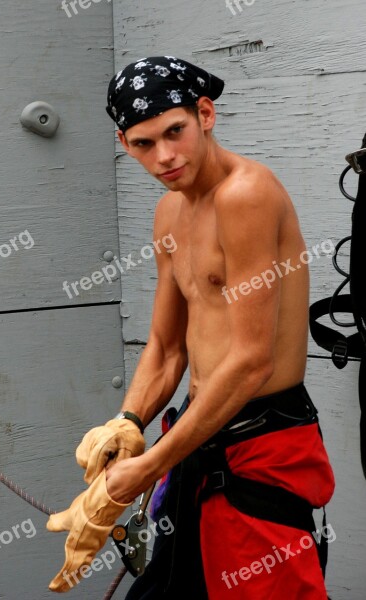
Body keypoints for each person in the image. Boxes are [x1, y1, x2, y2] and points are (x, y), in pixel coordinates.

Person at [82, 56, 335, 599]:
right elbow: (167, 347)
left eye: (175, 132)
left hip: (261, 445)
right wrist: (127, 424)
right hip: (194, 442)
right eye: (144, 144)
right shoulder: (169, 214)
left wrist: (149, 466)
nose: (165, 157)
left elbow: (251, 361)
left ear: (205, 114)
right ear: (126, 144)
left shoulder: (246, 195)